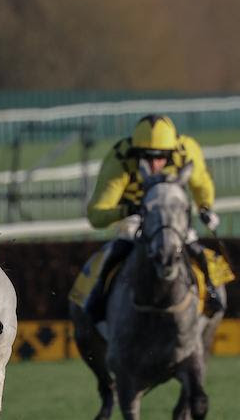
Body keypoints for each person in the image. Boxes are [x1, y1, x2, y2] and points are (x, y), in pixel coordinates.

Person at [82, 114, 224, 322]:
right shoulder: (120, 158)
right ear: (136, 152)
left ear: (171, 152)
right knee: (120, 247)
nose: (154, 164)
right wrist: (127, 210)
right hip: (135, 216)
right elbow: (96, 214)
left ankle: (212, 292)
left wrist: (205, 208)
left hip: (172, 217)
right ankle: (98, 295)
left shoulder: (187, 150)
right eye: (147, 157)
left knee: (198, 250)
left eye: (160, 157)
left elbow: (201, 183)